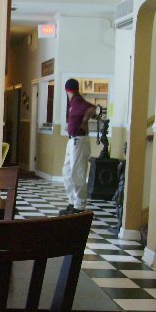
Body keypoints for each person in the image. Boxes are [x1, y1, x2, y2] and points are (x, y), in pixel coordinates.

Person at [59, 78, 97, 215]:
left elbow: (93, 108)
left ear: (66, 90)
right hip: (73, 140)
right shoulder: (74, 101)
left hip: (79, 140)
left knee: (77, 172)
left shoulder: (78, 100)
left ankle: (79, 205)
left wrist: (85, 120)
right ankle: (72, 201)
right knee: (67, 172)